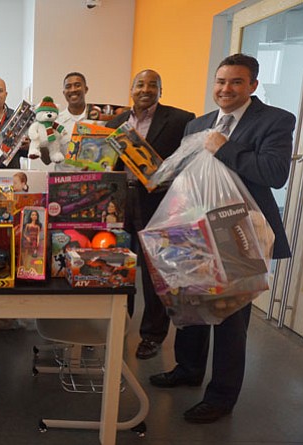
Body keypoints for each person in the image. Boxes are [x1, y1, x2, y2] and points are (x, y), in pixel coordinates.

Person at [149, 54, 295, 424]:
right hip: (194, 229)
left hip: (241, 233)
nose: (225, 89)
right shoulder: (198, 124)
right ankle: (188, 368)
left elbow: (274, 173)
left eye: (236, 82)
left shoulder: (275, 121)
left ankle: (221, 396)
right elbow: (186, 173)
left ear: (252, 86)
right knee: (191, 301)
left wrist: (223, 147)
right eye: (220, 81)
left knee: (230, 316)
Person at [106, 69, 195, 360]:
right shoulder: (115, 123)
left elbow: (189, 162)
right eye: (140, 84)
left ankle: (152, 336)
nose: (146, 89)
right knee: (117, 268)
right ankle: (120, 322)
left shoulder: (181, 119)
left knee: (155, 272)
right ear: (131, 88)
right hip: (118, 203)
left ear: (160, 90)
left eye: (152, 85)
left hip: (157, 203)